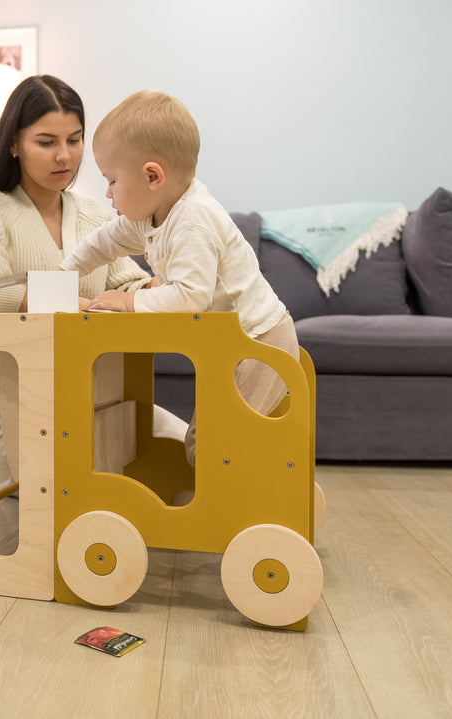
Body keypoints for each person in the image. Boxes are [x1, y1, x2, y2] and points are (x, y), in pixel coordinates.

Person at [0, 75, 156, 485]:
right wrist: (77, 304)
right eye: (46, 142)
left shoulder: (96, 214)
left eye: (75, 139)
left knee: (176, 462)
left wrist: (153, 291)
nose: (64, 156)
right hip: (25, 411)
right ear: (13, 143)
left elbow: (124, 282)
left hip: (105, 400)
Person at [59, 90, 299, 474]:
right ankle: (221, 498)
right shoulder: (150, 215)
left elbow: (190, 298)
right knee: (203, 439)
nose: (108, 194)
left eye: (112, 181)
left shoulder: (193, 220)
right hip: (232, 344)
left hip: (259, 344)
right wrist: (64, 272)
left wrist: (129, 301)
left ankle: (238, 507)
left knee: (221, 442)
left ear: (153, 176)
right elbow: (104, 242)